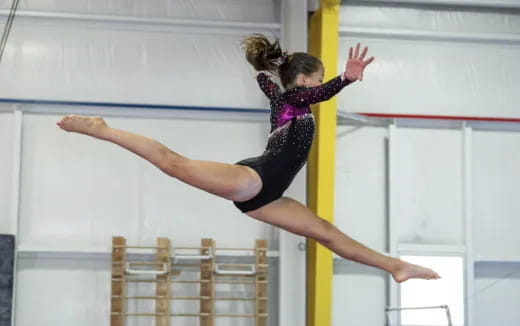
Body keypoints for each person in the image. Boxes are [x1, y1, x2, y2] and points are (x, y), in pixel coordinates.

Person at [57, 34, 439, 282]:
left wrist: (270, 68)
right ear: (305, 82)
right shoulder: (293, 99)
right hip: (257, 178)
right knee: (175, 165)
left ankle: (396, 267)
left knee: (326, 232)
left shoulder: (282, 99)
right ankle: (100, 128)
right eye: (318, 79)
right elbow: (304, 93)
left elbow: (264, 81)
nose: (321, 86)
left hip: (268, 197)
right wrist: (346, 80)